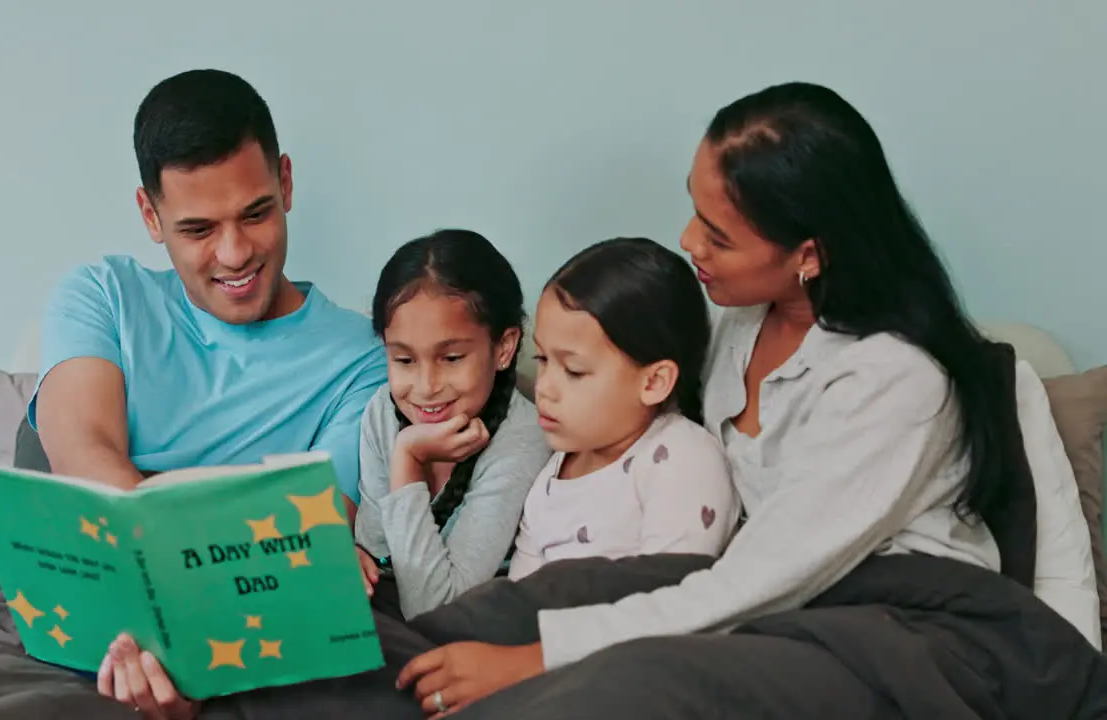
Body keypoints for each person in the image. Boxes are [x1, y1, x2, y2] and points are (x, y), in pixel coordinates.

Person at [394, 81, 1100, 717]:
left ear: (809, 254)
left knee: (636, 683)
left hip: (902, 629)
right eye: (694, 211)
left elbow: (765, 578)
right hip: (776, 592)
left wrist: (535, 661)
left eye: (719, 235)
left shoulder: (896, 381)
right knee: (523, 602)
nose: (688, 241)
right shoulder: (736, 324)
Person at [28, 68, 386, 719]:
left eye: (256, 213)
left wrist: (191, 641)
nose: (235, 253)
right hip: (96, 575)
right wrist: (157, 609)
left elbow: (316, 530)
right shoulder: (103, 296)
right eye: (197, 230)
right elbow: (83, 447)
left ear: (286, 182)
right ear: (150, 215)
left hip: (250, 608)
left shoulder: (363, 357)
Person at [507, 237, 738, 581]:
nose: (542, 387)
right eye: (542, 359)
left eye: (573, 371)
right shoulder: (555, 471)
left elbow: (670, 599)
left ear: (654, 382)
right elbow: (515, 598)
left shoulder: (680, 460)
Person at [353, 229, 551, 619]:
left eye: (452, 358)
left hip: (467, 624)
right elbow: (378, 554)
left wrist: (407, 458)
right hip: (395, 609)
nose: (426, 388)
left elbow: (434, 608)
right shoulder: (383, 411)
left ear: (505, 348)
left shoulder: (523, 439)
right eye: (404, 361)